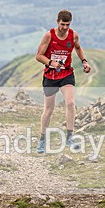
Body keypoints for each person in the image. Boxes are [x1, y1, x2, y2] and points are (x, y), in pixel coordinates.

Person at [35, 10, 91, 153]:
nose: (65, 27)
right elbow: (39, 56)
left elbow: (78, 48)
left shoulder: (73, 35)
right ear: (57, 22)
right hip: (50, 76)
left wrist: (84, 61)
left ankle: (69, 138)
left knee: (71, 103)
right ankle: (42, 140)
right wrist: (51, 63)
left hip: (66, 74)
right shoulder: (49, 36)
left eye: (67, 24)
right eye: (62, 24)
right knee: (49, 109)